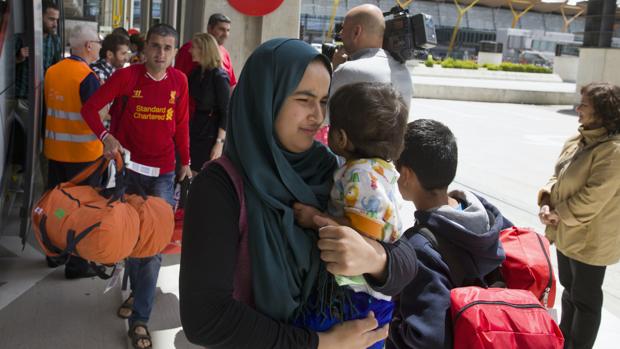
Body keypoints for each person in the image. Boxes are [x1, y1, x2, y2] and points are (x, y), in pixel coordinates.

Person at [179, 38, 418, 349]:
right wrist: (319, 343)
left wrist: (375, 259)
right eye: (304, 99)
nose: (318, 116)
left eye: (323, 101)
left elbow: (408, 261)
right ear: (266, 98)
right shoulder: (220, 187)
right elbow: (206, 320)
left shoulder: (332, 168)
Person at [81, 24, 191, 349]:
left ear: (174, 51)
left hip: (163, 174)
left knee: (154, 247)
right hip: (128, 171)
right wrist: (105, 137)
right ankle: (136, 291)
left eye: (167, 48)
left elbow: (182, 124)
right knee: (132, 240)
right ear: (145, 49)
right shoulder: (127, 77)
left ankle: (140, 319)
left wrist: (186, 161)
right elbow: (89, 109)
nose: (160, 54)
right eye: (155, 46)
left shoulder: (179, 82)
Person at [292, 82, 407, 349]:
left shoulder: (360, 175)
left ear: (341, 138)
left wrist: (315, 218)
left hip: (354, 295)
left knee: (312, 328)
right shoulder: (381, 169)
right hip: (371, 295)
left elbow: (362, 234)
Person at [388, 119, 512, 349]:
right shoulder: (491, 219)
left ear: (406, 174)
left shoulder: (420, 248)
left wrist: (390, 326)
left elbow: (428, 339)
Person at [538, 82, 620, 349]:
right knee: (569, 293)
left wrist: (558, 215)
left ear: (602, 112)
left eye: (584, 104)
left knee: (585, 300)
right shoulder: (577, 140)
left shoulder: (613, 151)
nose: (578, 109)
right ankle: (565, 341)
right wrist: (547, 200)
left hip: (591, 238)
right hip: (566, 231)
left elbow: (593, 197)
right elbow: (558, 175)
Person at [42, 25, 103, 278]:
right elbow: (98, 116)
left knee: (57, 207)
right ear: (88, 46)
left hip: (55, 153)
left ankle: (55, 252)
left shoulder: (52, 71)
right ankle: (77, 265)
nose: (99, 46)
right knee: (81, 212)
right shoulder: (87, 76)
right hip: (84, 158)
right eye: (98, 42)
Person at [329, 4, 412, 108]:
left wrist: (336, 69)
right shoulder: (403, 71)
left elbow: (325, 118)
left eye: (343, 28)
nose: (340, 34)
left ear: (356, 32)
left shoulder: (348, 70)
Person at [187, 33, 230, 173]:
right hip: (196, 128)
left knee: (203, 172)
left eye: (194, 47)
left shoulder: (219, 76)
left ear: (203, 50)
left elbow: (226, 112)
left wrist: (219, 143)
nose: (190, 51)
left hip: (211, 133)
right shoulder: (195, 73)